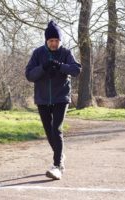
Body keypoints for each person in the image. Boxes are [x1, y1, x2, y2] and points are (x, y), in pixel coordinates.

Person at [25, 20, 81, 180]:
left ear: (60, 41)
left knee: (56, 129)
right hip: (42, 99)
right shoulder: (38, 53)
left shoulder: (66, 52)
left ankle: (57, 166)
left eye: (56, 40)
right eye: (51, 41)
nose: (54, 43)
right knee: (49, 133)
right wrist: (43, 67)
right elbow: (29, 75)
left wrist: (60, 66)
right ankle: (60, 155)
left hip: (60, 97)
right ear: (46, 41)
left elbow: (76, 69)